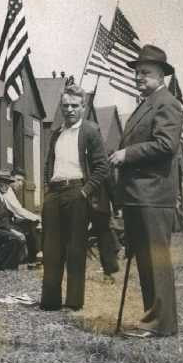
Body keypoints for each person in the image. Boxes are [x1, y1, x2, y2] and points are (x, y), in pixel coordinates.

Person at [109, 44, 183, 339]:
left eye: (146, 72)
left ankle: (162, 323)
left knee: (156, 260)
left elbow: (167, 145)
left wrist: (127, 154)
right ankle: (154, 320)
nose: (139, 77)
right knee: (145, 260)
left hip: (153, 194)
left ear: (161, 75)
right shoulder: (146, 104)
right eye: (137, 72)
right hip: (138, 195)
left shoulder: (166, 103)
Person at [39, 84, 109, 311]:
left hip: (77, 192)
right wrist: (48, 187)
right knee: (51, 250)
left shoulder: (90, 130)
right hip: (55, 193)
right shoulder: (56, 133)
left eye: (74, 105)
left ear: (83, 107)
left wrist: (84, 192)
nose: (69, 109)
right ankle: (50, 301)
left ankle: (73, 302)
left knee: (75, 249)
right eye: (66, 105)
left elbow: (102, 167)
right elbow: (49, 163)